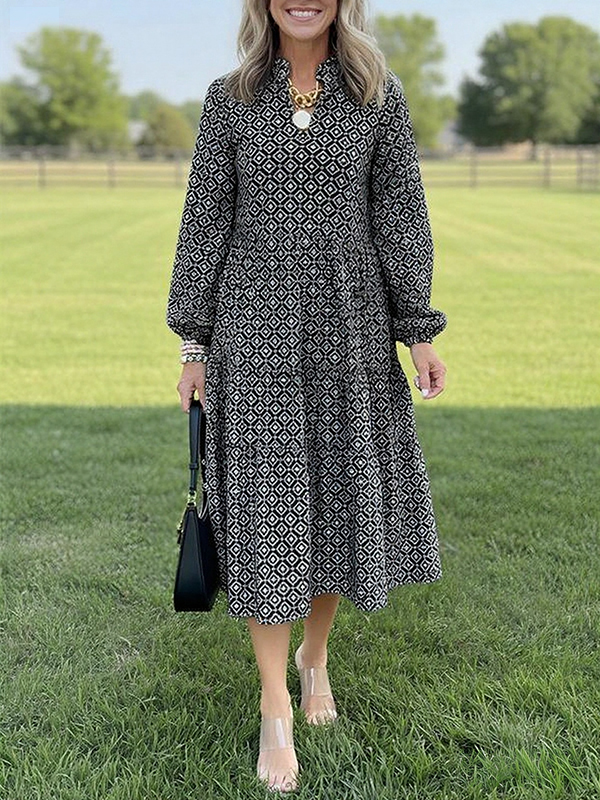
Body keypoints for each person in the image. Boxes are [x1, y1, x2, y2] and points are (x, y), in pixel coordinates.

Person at [166, 0, 447, 793]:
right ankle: (274, 705)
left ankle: (314, 656)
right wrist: (193, 343)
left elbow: (400, 214)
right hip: (253, 329)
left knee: (333, 500)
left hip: (349, 327)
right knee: (268, 509)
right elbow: (205, 220)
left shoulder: (377, 94)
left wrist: (418, 329)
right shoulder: (228, 99)